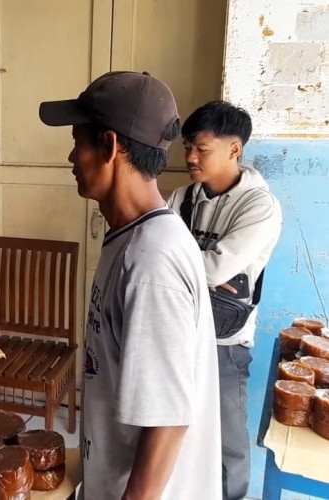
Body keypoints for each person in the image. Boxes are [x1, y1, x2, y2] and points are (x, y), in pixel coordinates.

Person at [39, 72, 222, 499]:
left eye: (77, 142)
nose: (70, 157)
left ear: (110, 146)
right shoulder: (131, 236)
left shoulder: (152, 260)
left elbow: (168, 421)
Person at [167, 101, 282, 500]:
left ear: (234, 149)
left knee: (227, 442)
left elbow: (213, 271)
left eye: (202, 148)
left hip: (224, 344)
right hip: (177, 332)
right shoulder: (182, 197)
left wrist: (192, 270)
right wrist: (204, 272)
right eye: (187, 148)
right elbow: (152, 258)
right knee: (173, 429)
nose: (190, 158)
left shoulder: (259, 207)